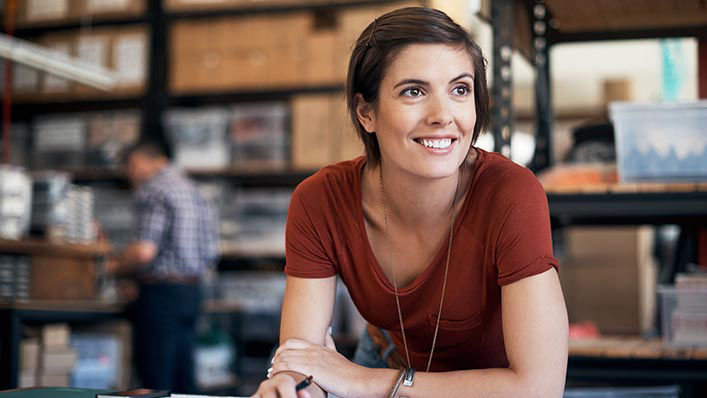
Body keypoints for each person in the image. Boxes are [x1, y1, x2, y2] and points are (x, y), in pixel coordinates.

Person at [255, 6, 568, 398]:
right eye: (414, 91)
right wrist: (289, 386)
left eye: (460, 89)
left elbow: (540, 389)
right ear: (366, 112)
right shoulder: (321, 200)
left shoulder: (511, 194)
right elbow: (305, 361)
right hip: (382, 362)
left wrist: (358, 381)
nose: (443, 115)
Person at [106, 140, 220, 393]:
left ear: (155, 161)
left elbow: (144, 251)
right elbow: (212, 251)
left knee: (155, 379)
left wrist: (112, 268)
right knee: (184, 376)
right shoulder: (195, 190)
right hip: (192, 290)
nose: (130, 172)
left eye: (133, 165)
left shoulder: (154, 189)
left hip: (161, 294)